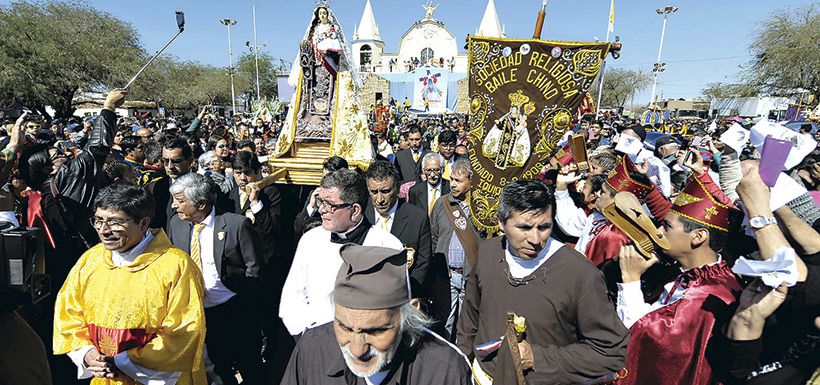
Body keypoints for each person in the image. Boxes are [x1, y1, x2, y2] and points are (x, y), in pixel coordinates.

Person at [457, 179, 628, 384]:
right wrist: (461, 365)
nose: (535, 239)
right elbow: (470, 316)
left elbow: (611, 351)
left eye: (544, 227)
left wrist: (537, 358)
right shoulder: (487, 253)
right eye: (524, 227)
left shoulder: (580, 274)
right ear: (501, 222)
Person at [53, 184, 206, 385]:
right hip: (105, 376)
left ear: (143, 223)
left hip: (158, 376)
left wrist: (123, 361)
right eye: (98, 221)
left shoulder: (176, 265)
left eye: (115, 222)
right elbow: (68, 313)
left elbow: (184, 330)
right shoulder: (90, 260)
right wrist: (86, 352)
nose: (104, 230)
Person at [614, 171, 744, 385]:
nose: (658, 231)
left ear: (698, 237)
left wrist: (630, 280)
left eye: (667, 226)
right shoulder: (694, 273)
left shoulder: (705, 297)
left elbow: (643, 340)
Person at [281, 245, 473, 384]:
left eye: (375, 331)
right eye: (344, 328)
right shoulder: (312, 350)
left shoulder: (445, 371)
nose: (357, 350)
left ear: (409, 315)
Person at [166, 173, 265, 385]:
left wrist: (246, 303)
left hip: (235, 309)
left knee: (249, 364)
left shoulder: (236, 225)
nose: (174, 206)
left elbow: (254, 268)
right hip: (199, 312)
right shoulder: (176, 224)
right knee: (214, 369)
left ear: (200, 203)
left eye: (180, 201)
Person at [279, 169, 403, 337]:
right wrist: (305, 333)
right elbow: (292, 296)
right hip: (316, 338)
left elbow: (396, 309)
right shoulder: (310, 240)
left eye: (329, 204)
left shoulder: (387, 246)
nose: (321, 210)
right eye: (320, 201)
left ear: (355, 210)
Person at [364, 160, 450, 334]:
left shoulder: (416, 218)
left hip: (403, 303)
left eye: (386, 191)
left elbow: (423, 264)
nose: (380, 199)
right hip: (366, 301)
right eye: (374, 192)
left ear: (397, 188)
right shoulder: (361, 216)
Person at [429, 159, 480, 341]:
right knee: (445, 321)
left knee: (467, 322)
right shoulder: (442, 204)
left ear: (471, 181)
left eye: (458, 180)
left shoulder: (481, 209)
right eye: (451, 179)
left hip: (470, 275)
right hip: (447, 276)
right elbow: (433, 236)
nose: (453, 184)